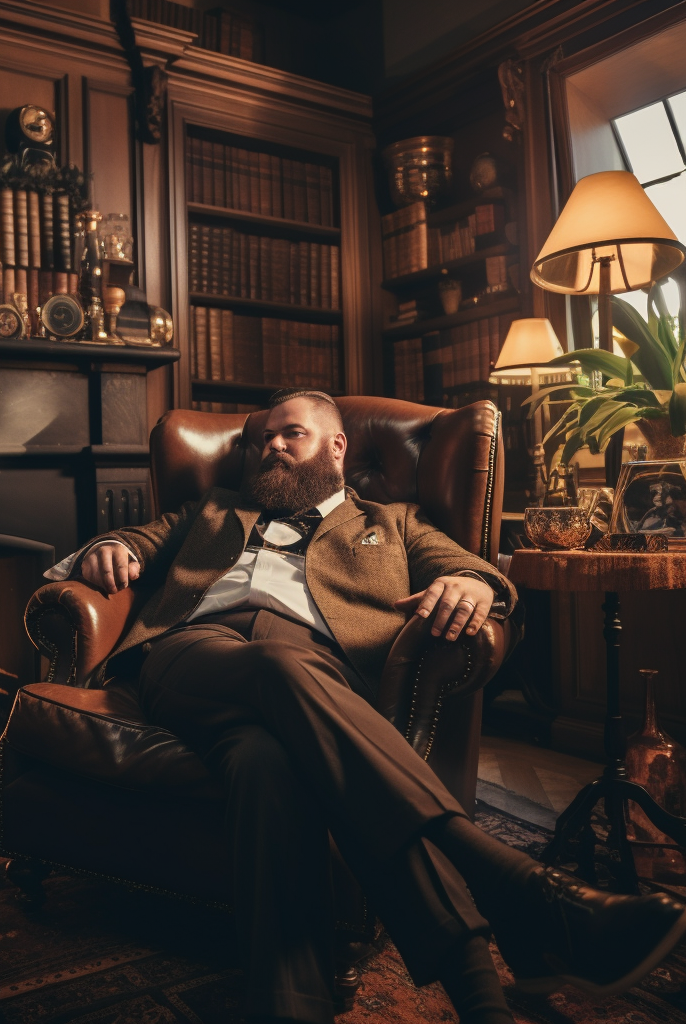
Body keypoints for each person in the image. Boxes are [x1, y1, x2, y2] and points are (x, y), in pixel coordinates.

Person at [46, 388, 686, 1024]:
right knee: (275, 663)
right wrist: (115, 548)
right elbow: (136, 538)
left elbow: (480, 572)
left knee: (266, 765)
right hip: (193, 656)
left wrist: (471, 582)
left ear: (337, 446)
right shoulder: (213, 509)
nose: (270, 445)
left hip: (315, 680)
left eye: (289, 434)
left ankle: (443, 1001)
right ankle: (516, 887)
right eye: (263, 438)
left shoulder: (394, 521)